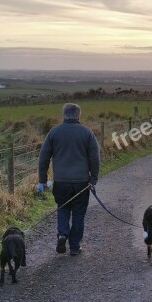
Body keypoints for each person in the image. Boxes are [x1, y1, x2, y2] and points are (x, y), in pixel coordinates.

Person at [37, 103, 100, 256]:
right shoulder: (87, 133)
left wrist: (42, 180)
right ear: (78, 115)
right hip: (81, 183)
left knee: (63, 208)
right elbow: (95, 158)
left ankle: (62, 234)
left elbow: (43, 157)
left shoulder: (54, 132)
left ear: (64, 114)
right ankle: (74, 246)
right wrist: (93, 178)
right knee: (79, 214)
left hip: (60, 182)